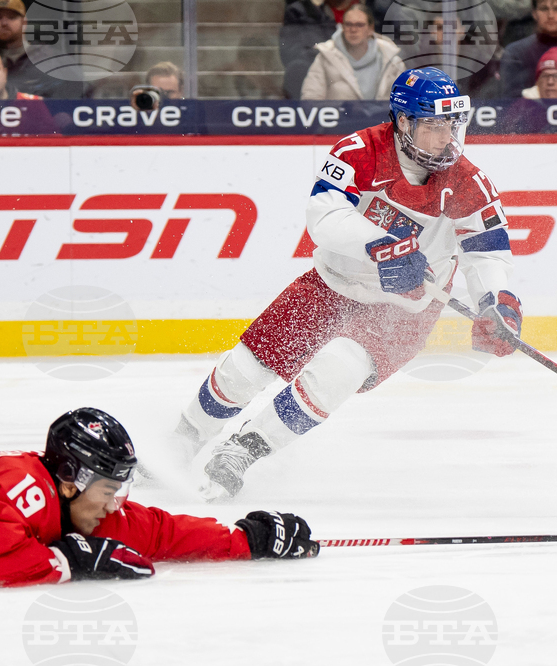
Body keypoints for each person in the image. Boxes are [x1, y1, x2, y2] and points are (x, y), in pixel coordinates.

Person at [174, 67, 521, 500]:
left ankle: (242, 451)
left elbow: (486, 249)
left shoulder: (467, 180)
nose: (446, 136)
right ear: (403, 122)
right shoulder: (360, 151)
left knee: (333, 374)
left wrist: (495, 302)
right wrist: (384, 246)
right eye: (432, 124)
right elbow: (325, 216)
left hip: (404, 308)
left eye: (451, 124)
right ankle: (179, 444)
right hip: (332, 283)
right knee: (243, 369)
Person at [0, 408, 319, 586]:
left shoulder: (86, 502)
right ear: (72, 480)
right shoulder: (18, 483)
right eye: (110, 489)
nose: (113, 504)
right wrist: (70, 558)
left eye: (119, 490)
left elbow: (158, 532)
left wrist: (245, 540)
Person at [301, 4, 404, 100]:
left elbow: (405, 100)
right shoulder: (325, 57)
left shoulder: (392, 61)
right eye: (348, 24)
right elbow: (310, 99)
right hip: (339, 119)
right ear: (342, 27)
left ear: (370, 28)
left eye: (359, 25)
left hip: (383, 119)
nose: (353, 30)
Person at [281, 0, 360, 98]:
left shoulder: (325, 13)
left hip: (324, 62)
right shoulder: (296, 10)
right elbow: (289, 49)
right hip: (308, 63)